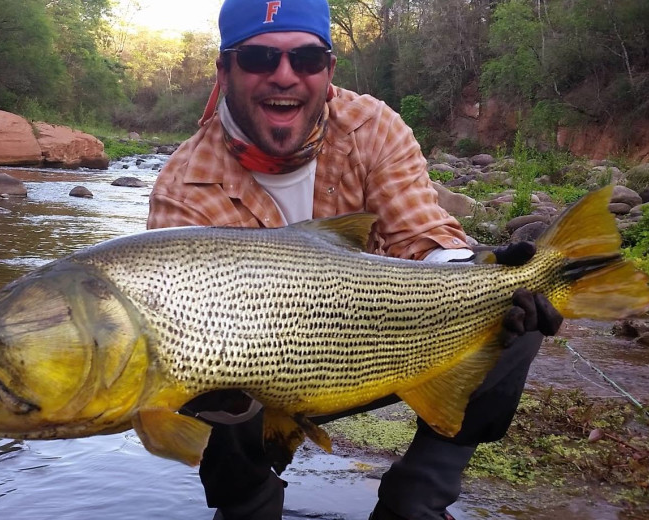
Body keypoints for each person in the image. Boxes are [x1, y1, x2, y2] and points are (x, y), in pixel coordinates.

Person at [146, 0, 563, 518]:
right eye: (258, 58)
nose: (284, 76)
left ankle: (417, 500)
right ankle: (249, 504)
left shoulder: (373, 128)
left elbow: (423, 240)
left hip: (384, 351)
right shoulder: (183, 186)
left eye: (306, 58)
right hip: (260, 383)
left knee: (504, 301)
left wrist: (479, 272)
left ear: (329, 70)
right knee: (203, 389)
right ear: (224, 70)